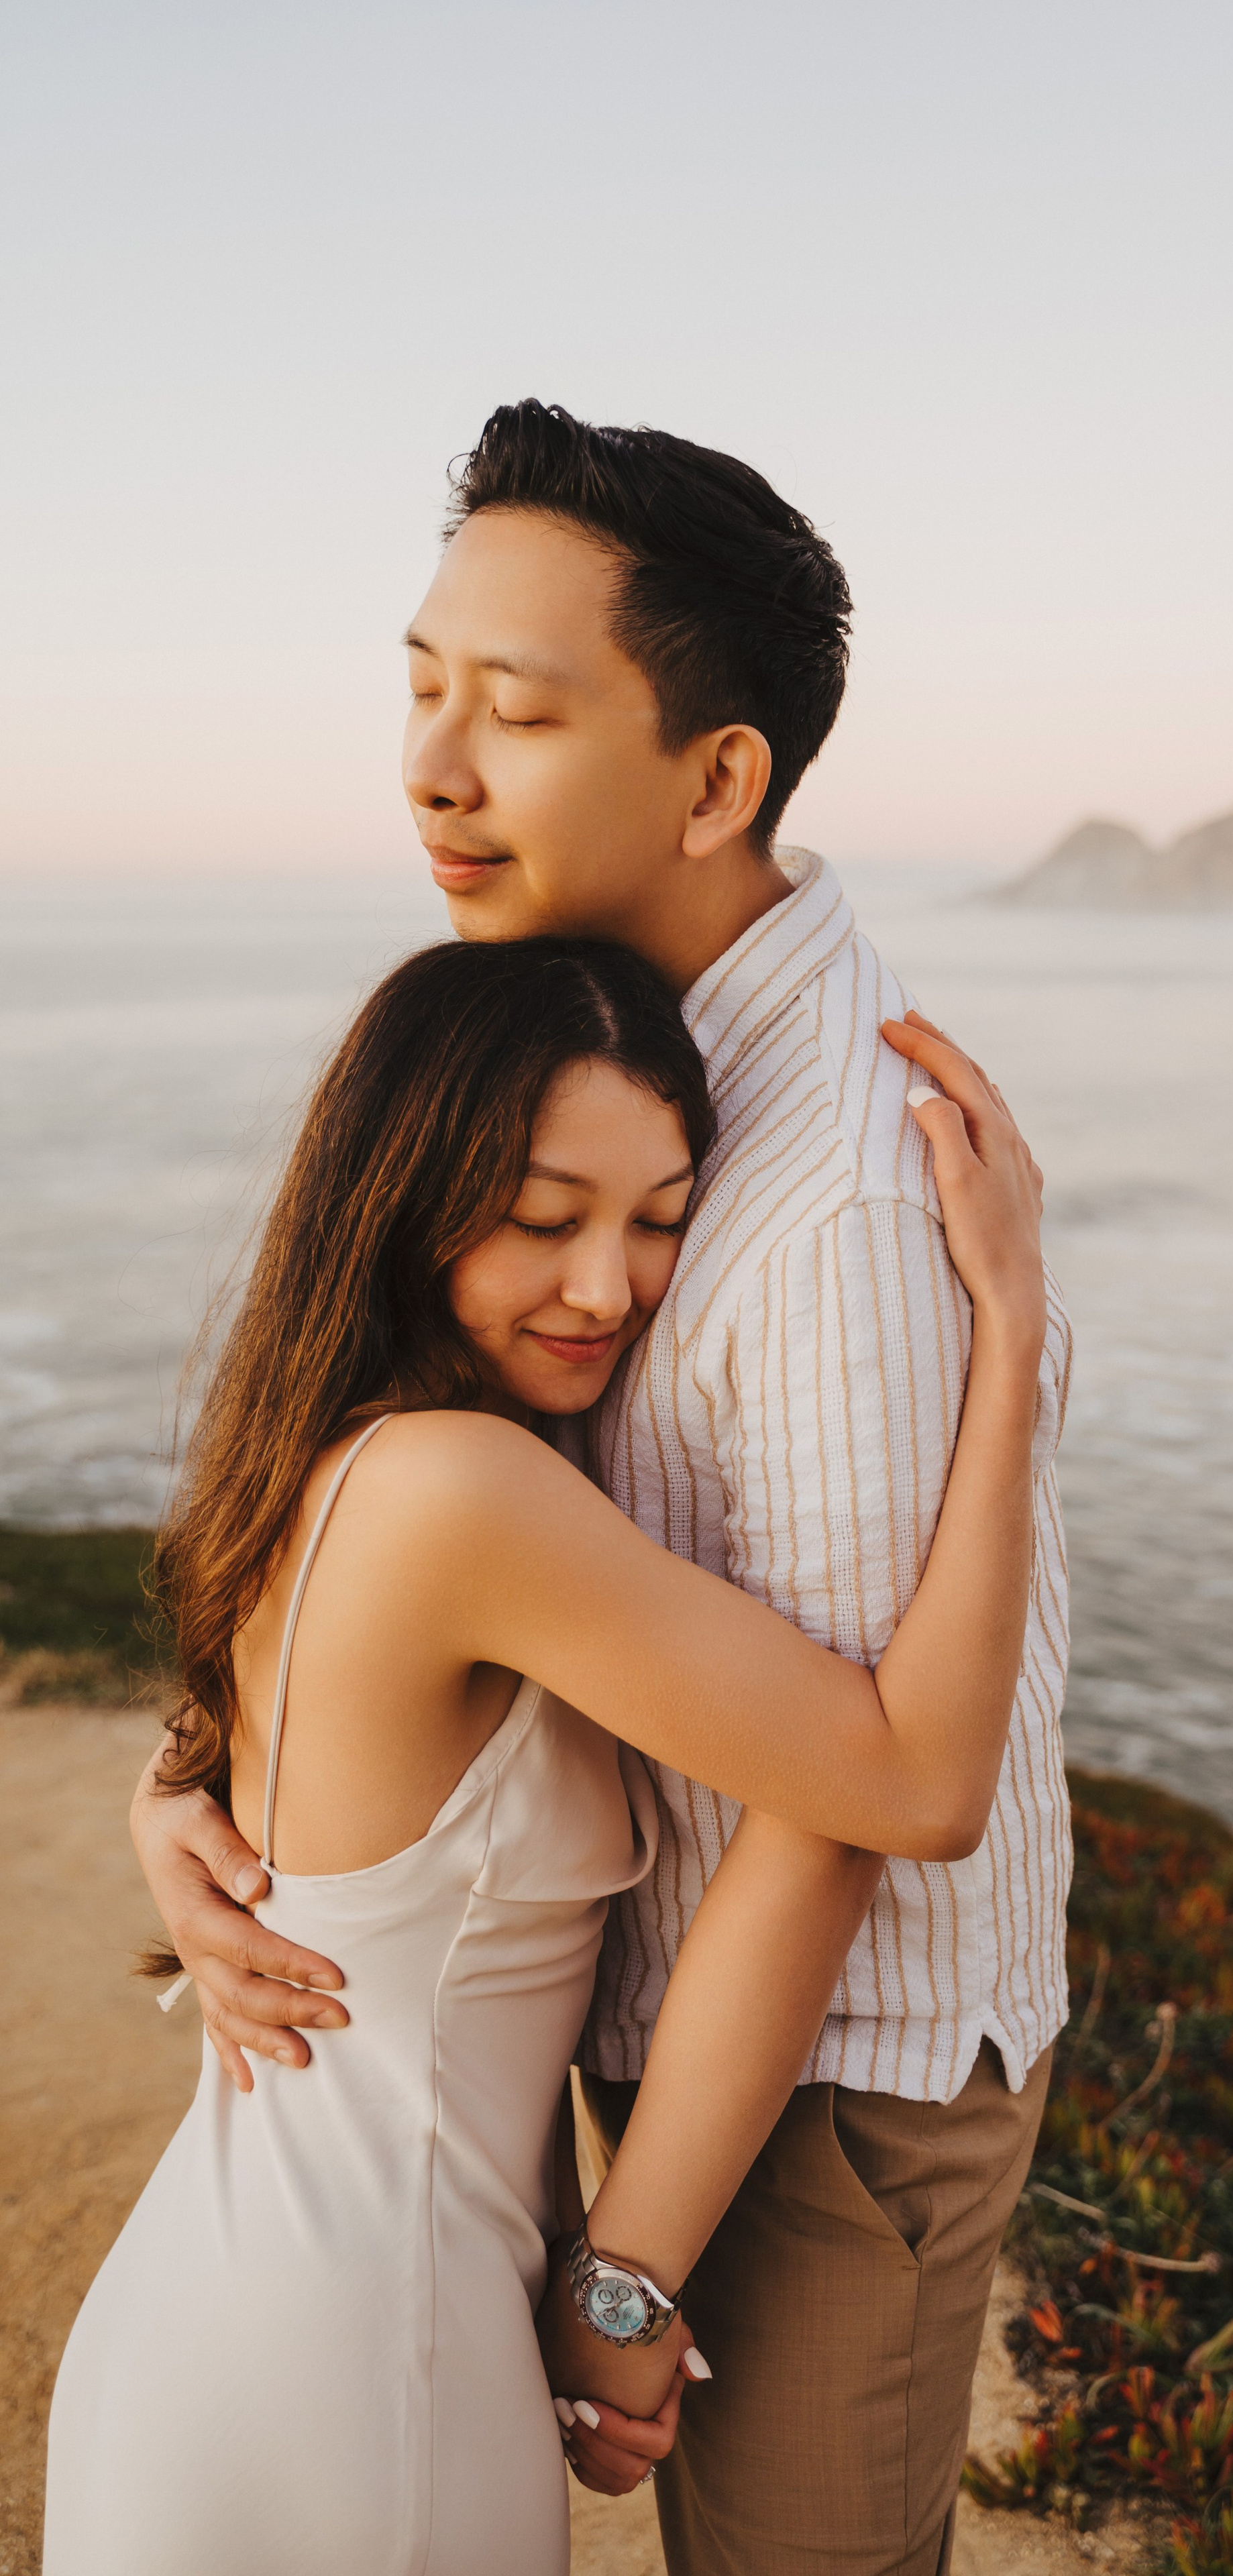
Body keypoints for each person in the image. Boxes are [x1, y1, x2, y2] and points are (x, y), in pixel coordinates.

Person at [130, 401, 1075, 2573]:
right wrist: (194, 1796)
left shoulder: (833, 1194)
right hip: (632, 2060)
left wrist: (629, 2272)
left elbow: (860, 1787)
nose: (433, 769)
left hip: (825, 2089)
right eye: (423, 689)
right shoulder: (614, 1073)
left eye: (517, 712)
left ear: (715, 775)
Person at [46, 934, 1046, 2575]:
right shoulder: (465, 1494)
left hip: (236, 2317)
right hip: (365, 2373)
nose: (607, 1287)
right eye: (541, 1217)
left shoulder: (323, 1457)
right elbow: (909, 1788)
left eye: (659, 1222)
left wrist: (167, 1793)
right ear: (405, 1197)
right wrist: (1004, 1338)